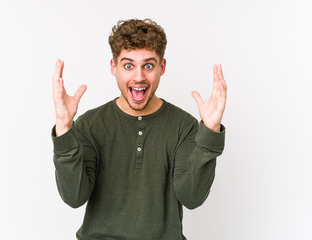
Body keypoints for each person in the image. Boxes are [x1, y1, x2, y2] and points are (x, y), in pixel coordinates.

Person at [51, 18, 227, 240]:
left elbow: (192, 198)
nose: (139, 77)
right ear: (113, 67)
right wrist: (64, 129)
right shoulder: (90, 125)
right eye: (128, 65)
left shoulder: (185, 126)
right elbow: (73, 197)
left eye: (148, 65)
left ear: (161, 68)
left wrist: (210, 132)